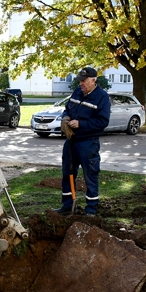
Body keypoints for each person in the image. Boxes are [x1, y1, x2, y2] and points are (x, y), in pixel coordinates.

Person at [55, 67, 110, 216]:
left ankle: (91, 209)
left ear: (93, 80)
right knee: (68, 173)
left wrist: (81, 124)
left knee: (90, 175)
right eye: (80, 80)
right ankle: (67, 205)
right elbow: (67, 108)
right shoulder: (77, 92)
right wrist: (65, 118)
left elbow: (103, 122)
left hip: (88, 143)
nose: (81, 83)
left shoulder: (102, 97)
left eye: (84, 81)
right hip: (72, 141)